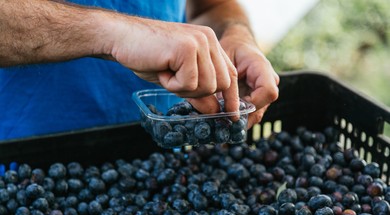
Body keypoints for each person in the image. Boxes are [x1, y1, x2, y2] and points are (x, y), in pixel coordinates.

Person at [0, 0, 279, 140]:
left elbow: (211, 6)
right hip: (25, 157)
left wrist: (234, 32)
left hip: (162, 143)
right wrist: (112, 33)